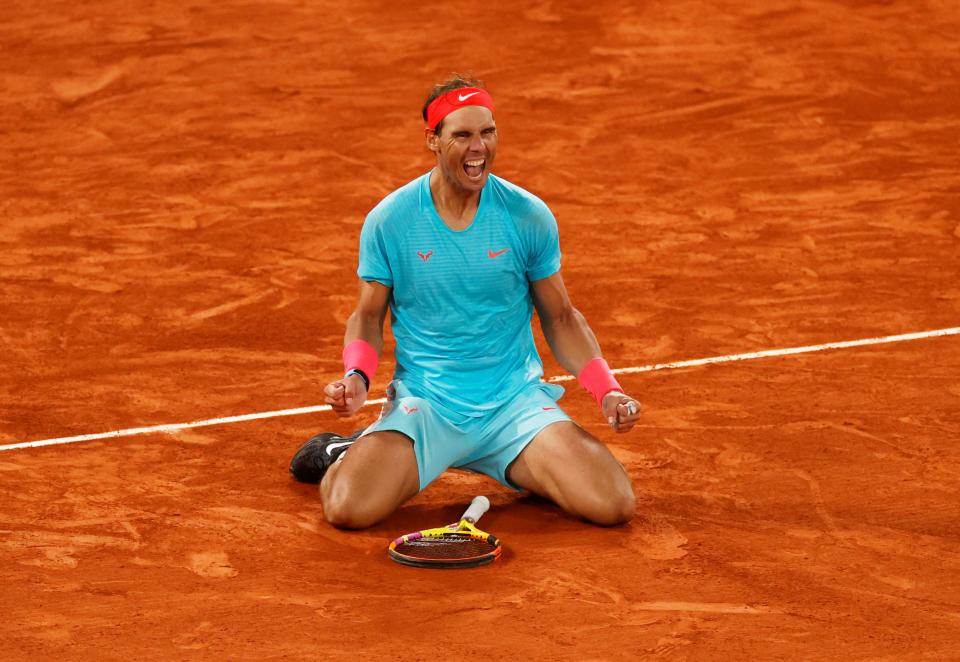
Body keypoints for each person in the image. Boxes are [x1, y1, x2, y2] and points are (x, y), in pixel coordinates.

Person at [290, 74, 641, 529]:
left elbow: (560, 316)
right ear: (433, 141)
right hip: (428, 406)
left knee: (613, 503)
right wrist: (357, 375)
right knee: (346, 509)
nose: (479, 147)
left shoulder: (527, 215)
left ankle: (512, 461)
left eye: (487, 132)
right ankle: (348, 449)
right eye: (462, 135)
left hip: (513, 406)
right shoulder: (391, 220)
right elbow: (368, 315)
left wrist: (607, 388)